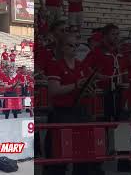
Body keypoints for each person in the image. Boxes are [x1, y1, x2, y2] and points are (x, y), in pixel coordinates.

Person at [44, 34, 96, 175]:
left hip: (81, 113)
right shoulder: (56, 65)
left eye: (76, 45)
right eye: (70, 45)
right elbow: (54, 90)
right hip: (63, 114)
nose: (74, 48)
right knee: (59, 156)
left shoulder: (82, 65)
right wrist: (76, 85)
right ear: (62, 48)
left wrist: (89, 90)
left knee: (83, 156)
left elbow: (85, 87)